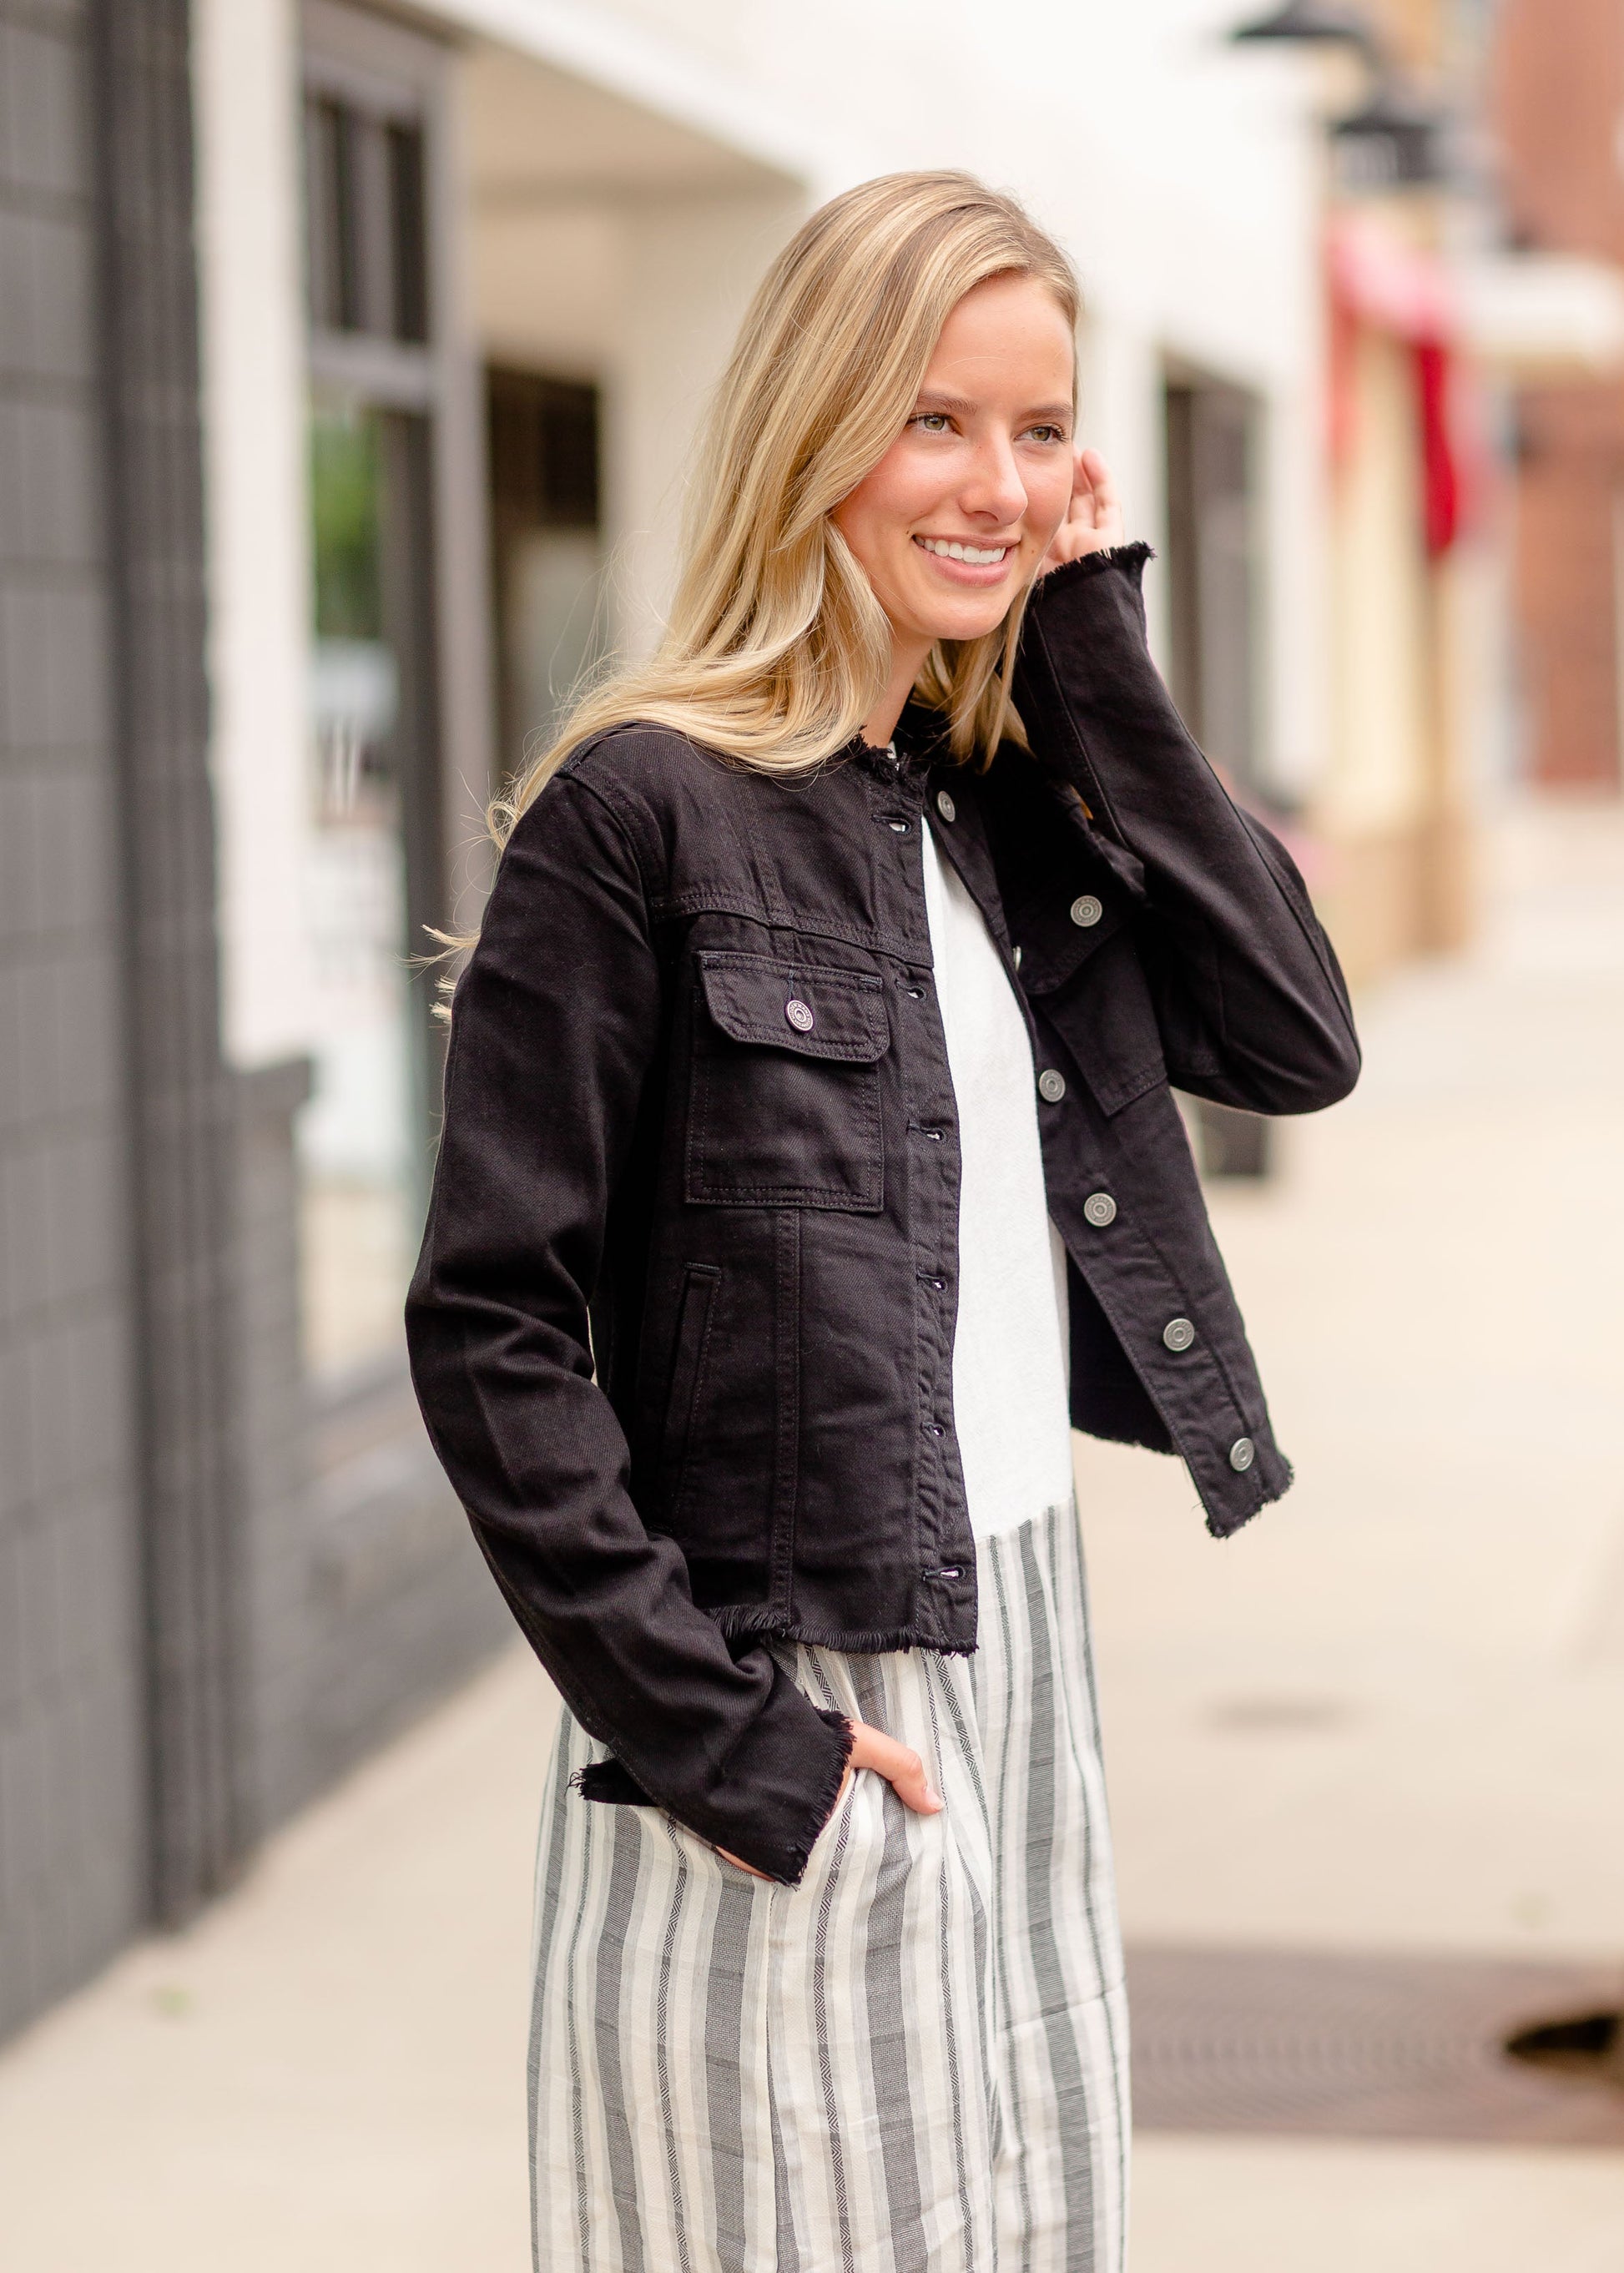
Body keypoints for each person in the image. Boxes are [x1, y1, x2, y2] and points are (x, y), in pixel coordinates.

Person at [406, 171, 1359, 2273]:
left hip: (1020, 1643)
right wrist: (721, 1737)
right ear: (811, 427)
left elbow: (1295, 1043)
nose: (995, 484)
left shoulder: (1003, 805)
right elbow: (493, 1326)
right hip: (792, 1677)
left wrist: (1088, 636)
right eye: (935, 420)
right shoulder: (638, 812)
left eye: (1039, 432)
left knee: (1032, 2230)